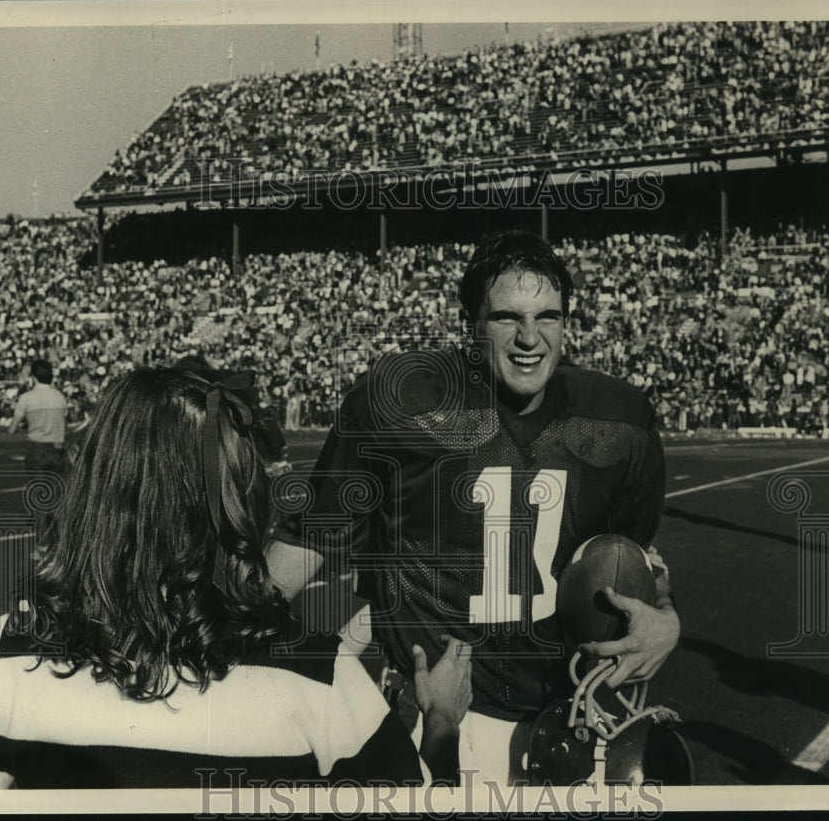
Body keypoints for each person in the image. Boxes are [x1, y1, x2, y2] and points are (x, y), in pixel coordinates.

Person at [268, 230, 679, 786]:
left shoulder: (619, 422)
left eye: (548, 317)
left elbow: (633, 558)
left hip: (569, 717)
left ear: (567, 323)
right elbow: (311, 538)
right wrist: (211, 634)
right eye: (507, 317)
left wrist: (667, 618)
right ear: (472, 326)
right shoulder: (403, 402)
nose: (529, 338)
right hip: (431, 712)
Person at [0, 367, 471, 789]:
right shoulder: (321, 679)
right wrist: (442, 718)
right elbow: (423, 799)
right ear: (238, 497)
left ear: (92, 492)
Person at [7, 359, 68, 474]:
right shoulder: (60, 397)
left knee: (38, 489)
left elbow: (11, 429)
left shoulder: (26, 398)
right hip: (57, 451)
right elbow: (64, 428)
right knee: (58, 489)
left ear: (34, 377)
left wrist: (26, 426)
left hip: (37, 451)